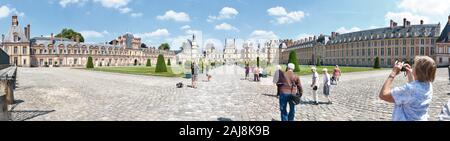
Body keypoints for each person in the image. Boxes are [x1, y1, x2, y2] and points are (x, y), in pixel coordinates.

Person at [379, 56, 437, 121]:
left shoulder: (410, 89)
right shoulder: (429, 85)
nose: (413, 67)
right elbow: (414, 92)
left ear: (417, 70)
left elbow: (383, 95)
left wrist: (393, 73)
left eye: (414, 66)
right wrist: (410, 74)